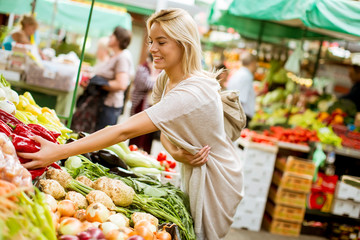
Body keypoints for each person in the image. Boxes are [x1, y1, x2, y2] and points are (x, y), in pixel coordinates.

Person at [19, 8, 243, 240]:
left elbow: (123, 130)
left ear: (184, 43)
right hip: (194, 164)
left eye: (161, 42)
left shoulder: (191, 92)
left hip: (215, 176)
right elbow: (164, 129)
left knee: (201, 235)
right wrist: (177, 153)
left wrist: (60, 151)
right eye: (150, 41)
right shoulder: (166, 79)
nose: (152, 48)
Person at [129, 53, 160, 153]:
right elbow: (147, 84)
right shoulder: (142, 68)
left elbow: (164, 86)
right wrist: (155, 78)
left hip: (153, 108)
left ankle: (145, 155)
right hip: (140, 105)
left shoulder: (161, 70)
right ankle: (132, 153)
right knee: (136, 133)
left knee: (148, 136)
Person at [226, 52, 257, 127]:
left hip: (234, 114)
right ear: (252, 63)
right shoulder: (246, 76)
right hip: (240, 116)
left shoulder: (236, 74)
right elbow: (241, 99)